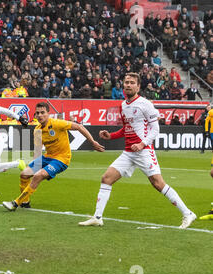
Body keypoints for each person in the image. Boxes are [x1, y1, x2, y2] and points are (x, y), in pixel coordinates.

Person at [79, 73, 197, 229]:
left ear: (138, 86)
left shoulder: (145, 104)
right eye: (126, 82)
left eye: (131, 82)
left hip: (144, 151)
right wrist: (111, 136)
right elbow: (126, 129)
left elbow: (156, 129)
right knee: (106, 178)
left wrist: (142, 144)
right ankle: (98, 217)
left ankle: (188, 213)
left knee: (158, 183)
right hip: (128, 152)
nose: (128, 85)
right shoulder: (123, 105)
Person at [2, 102, 105, 211]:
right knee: (24, 174)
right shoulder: (37, 129)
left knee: (38, 176)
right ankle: (26, 202)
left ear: (48, 113)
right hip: (48, 157)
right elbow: (37, 152)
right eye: (37, 113)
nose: (40, 115)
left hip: (62, 159)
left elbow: (79, 126)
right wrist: (35, 166)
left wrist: (92, 142)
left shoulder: (57, 123)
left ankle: (16, 203)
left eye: (43, 112)